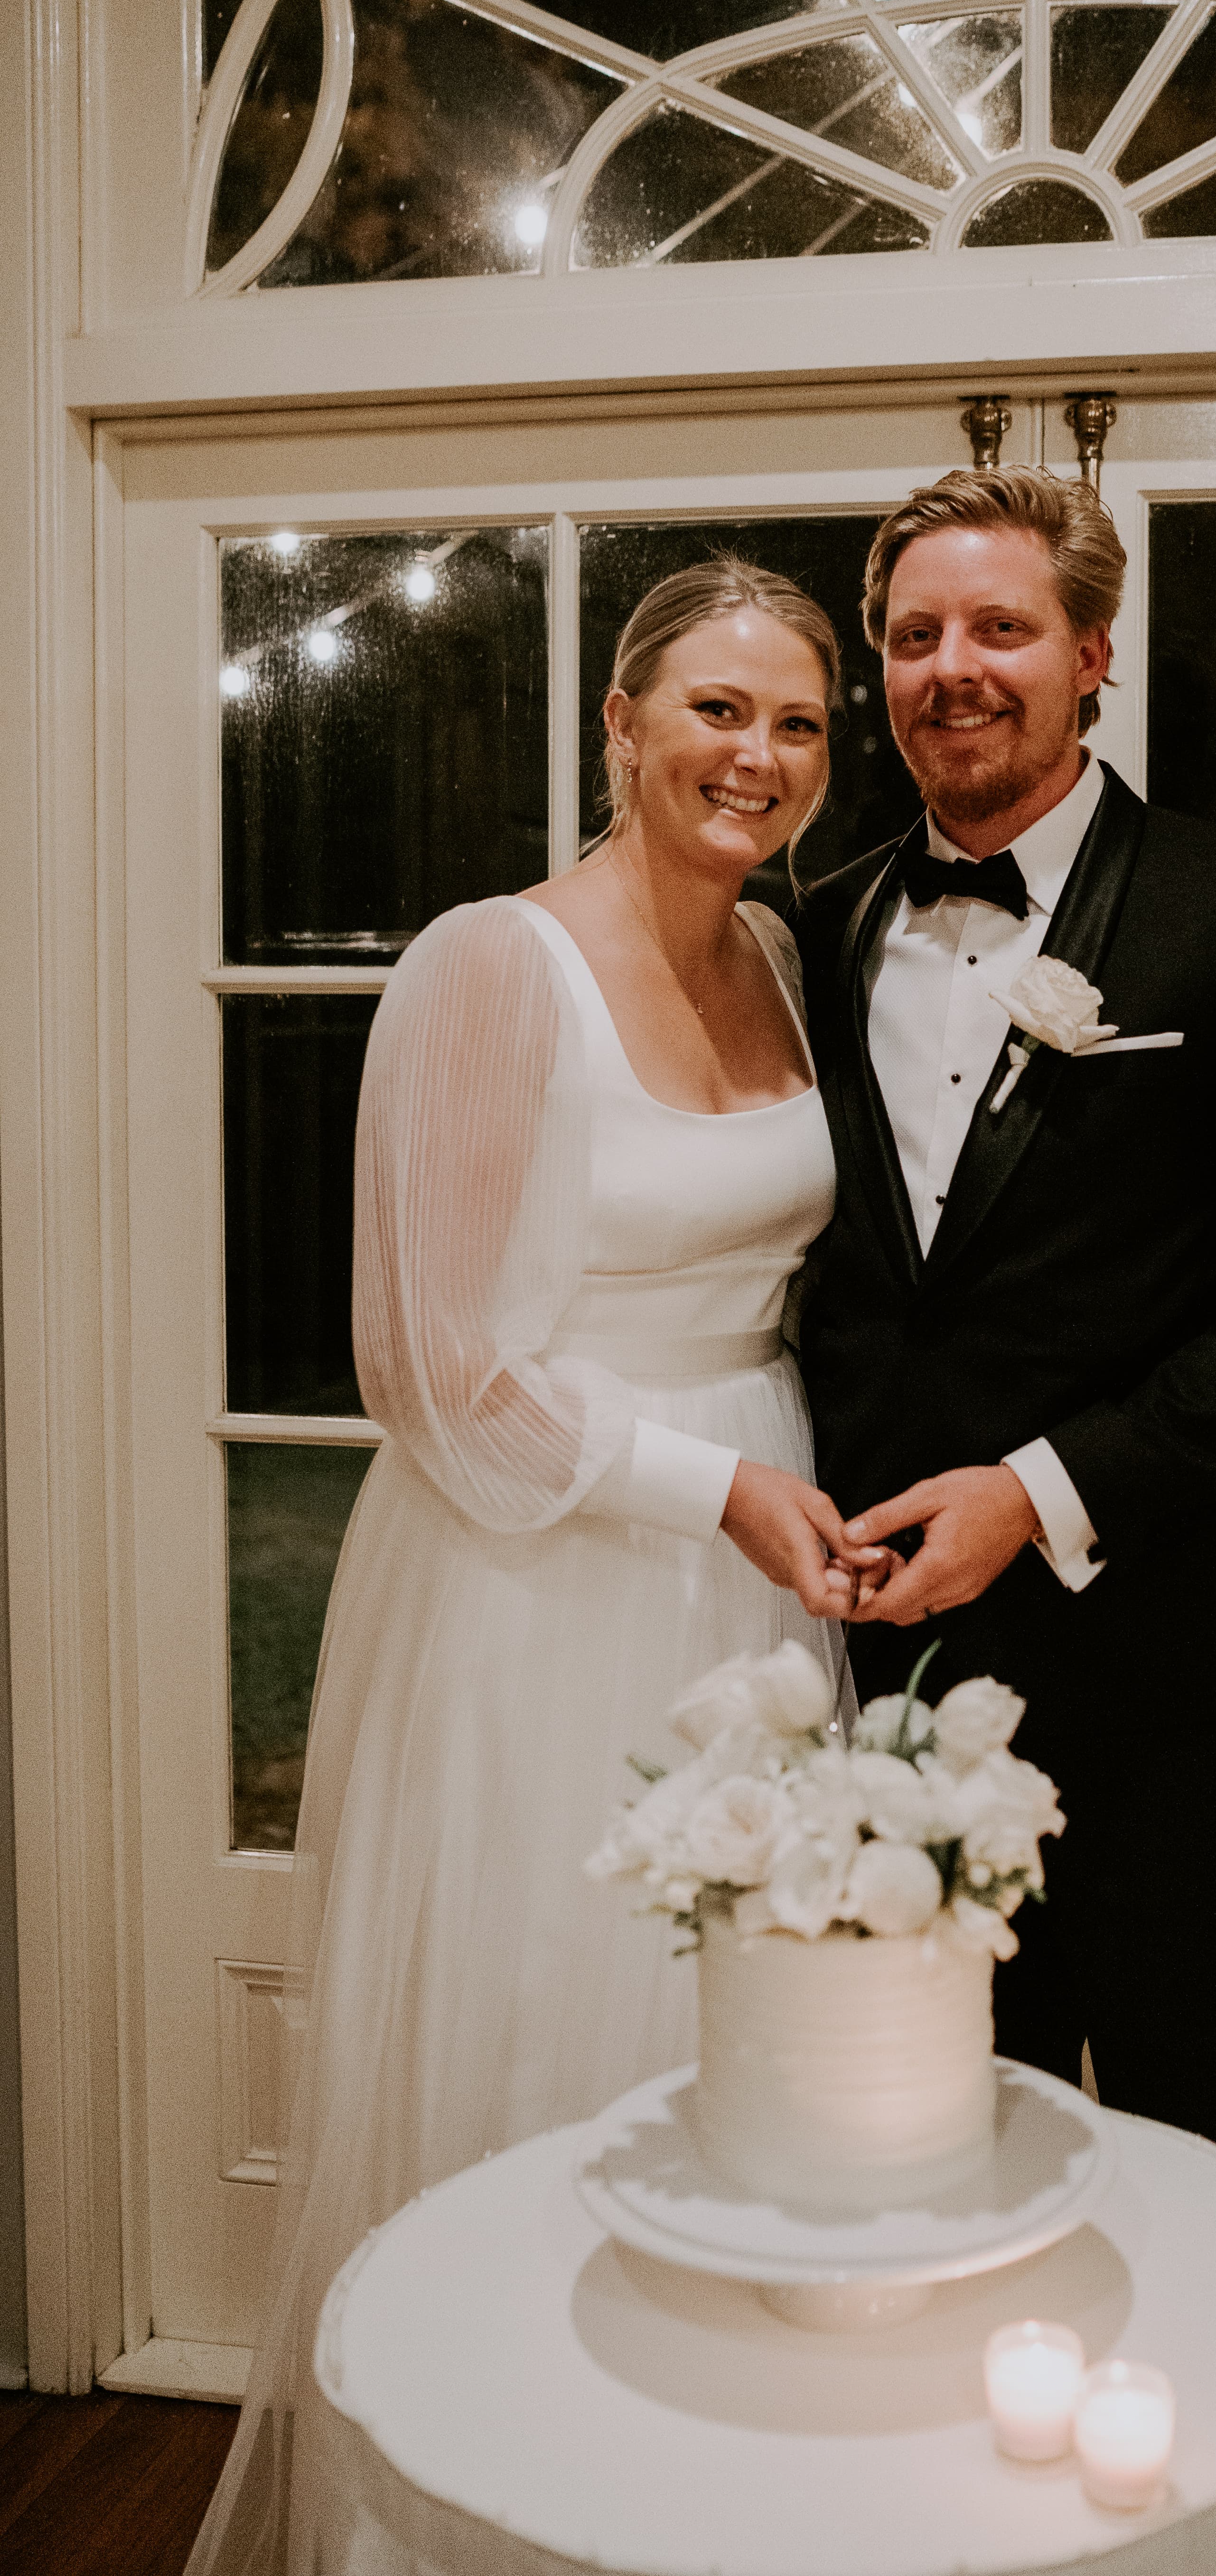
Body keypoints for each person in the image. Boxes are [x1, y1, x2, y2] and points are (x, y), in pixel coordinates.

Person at [187, 558, 879, 2575]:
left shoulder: (776, 950)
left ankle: (701, 2510)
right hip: (546, 1571)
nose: (756, 756)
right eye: (715, 711)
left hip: (761, 1558)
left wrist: (777, 1505)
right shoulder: (490, 967)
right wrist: (712, 1494)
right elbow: (429, 1368)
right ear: (619, 724)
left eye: (796, 725)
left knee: (738, 2047)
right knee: (543, 2039)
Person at [796, 467, 1216, 2195]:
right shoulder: (818, 927)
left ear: (1091, 655)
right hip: (891, 1671)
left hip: (1153, 1666)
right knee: (928, 2140)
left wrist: (1040, 1490)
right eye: (914, 635)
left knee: (1195, 2141)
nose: (951, 667)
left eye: (1000, 625)